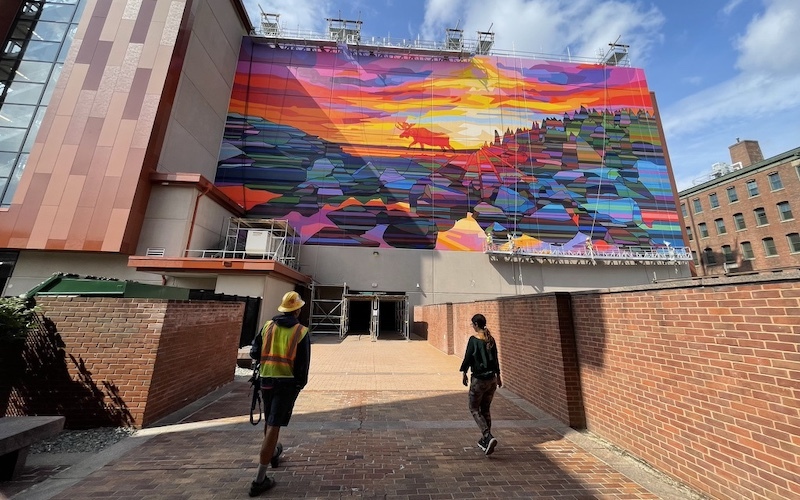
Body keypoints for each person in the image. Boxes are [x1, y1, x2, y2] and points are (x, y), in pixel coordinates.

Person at [248, 291, 311, 497]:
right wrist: (299, 385)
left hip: (266, 381)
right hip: (286, 384)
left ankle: (273, 452)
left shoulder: (268, 326)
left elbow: (254, 352)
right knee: (274, 424)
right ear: (298, 310)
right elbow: (302, 365)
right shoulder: (300, 332)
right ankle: (259, 479)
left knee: (270, 420)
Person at [459, 313, 502, 456]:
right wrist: (499, 376)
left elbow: (468, 357)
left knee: (474, 408)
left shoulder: (474, 340)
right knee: (486, 409)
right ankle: (486, 441)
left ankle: (487, 436)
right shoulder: (491, 339)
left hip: (479, 380)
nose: (472, 326)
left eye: (473, 324)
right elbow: (495, 359)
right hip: (492, 380)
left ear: (476, 324)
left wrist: (464, 372)